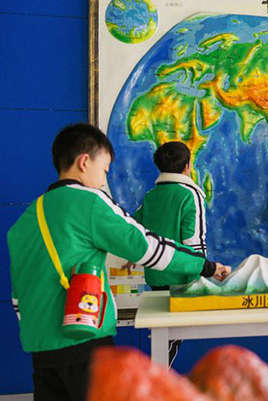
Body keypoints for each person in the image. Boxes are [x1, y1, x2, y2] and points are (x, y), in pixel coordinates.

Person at [7, 123, 230, 401]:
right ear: (84, 162)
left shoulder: (27, 218)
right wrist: (206, 266)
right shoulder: (89, 201)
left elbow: (18, 295)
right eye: (104, 170)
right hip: (84, 338)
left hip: (40, 349)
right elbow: (147, 246)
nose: (103, 182)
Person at [134, 141, 209, 367]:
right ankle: (154, 380)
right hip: (181, 277)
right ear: (187, 166)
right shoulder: (190, 194)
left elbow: (135, 227)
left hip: (155, 275)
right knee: (171, 340)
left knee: (165, 338)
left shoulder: (151, 196)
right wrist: (202, 274)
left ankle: (154, 378)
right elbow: (193, 241)